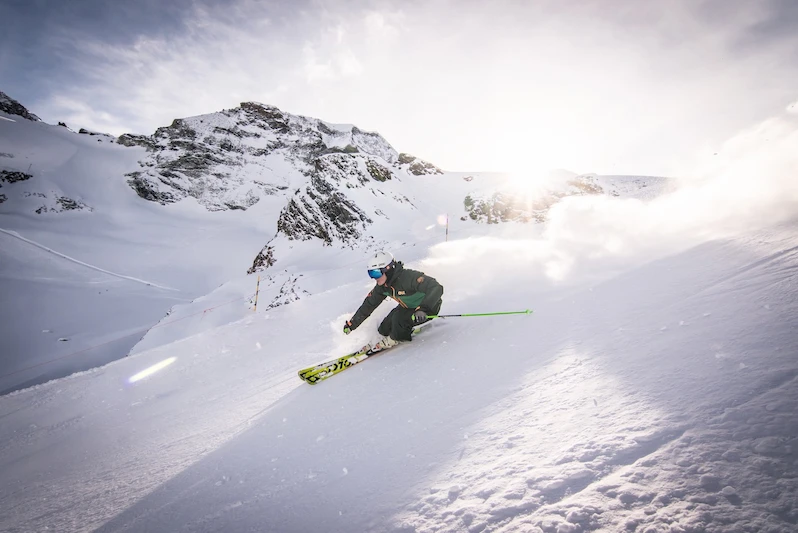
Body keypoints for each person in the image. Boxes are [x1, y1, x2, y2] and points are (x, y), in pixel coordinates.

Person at [343, 251, 444, 351]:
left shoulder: (407, 278)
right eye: (370, 273)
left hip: (427, 309)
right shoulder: (383, 286)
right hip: (407, 307)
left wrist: (423, 309)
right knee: (384, 327)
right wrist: (352, 324)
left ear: (388, 269)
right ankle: (379, 339)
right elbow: (369, 304)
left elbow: (436, 287)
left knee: (398, 319)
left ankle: (396, 338)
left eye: (376, 273)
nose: (374, 278)